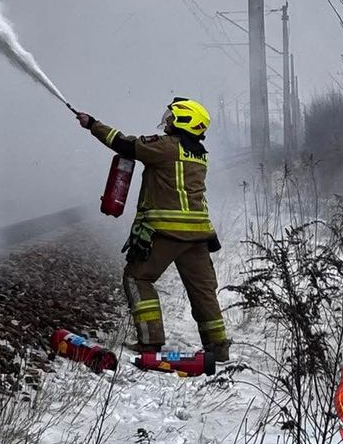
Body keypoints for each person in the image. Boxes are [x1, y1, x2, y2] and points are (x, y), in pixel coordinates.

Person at [76, 97, 230, 362]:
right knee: (203, 291)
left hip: (167, 232)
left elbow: (125, 144)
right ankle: (218, 347)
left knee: (137, 278)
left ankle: (150, 341)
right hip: (198, 235)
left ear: (183, 121)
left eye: (171, 117)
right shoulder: (198, 154)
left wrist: (92, 124)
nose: (167, 121)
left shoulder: (167, 147)